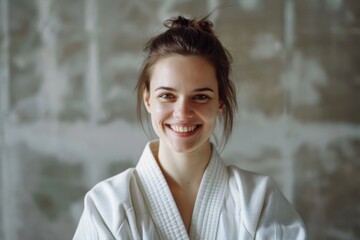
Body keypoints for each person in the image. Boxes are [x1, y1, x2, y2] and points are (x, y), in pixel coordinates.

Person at [73, 15, 306, 240]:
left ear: (220, 102)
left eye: (201, 97)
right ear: (147, 99)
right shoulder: (106, 206)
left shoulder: (260, 201)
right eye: (167, 95)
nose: (182, 113)